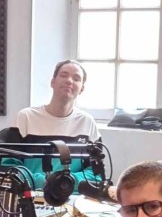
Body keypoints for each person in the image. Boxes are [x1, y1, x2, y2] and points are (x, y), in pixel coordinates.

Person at [7, 60, 100, 190]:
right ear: (52, 82)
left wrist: (66, 182)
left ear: (82, 89)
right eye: (64, 75)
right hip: (31, 194)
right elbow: (9, 166)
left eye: (76, 78)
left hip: (72, 196)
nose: (69, 81)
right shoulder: (25, 117)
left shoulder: (87, 122)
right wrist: (41, 182)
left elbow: (96, 174)